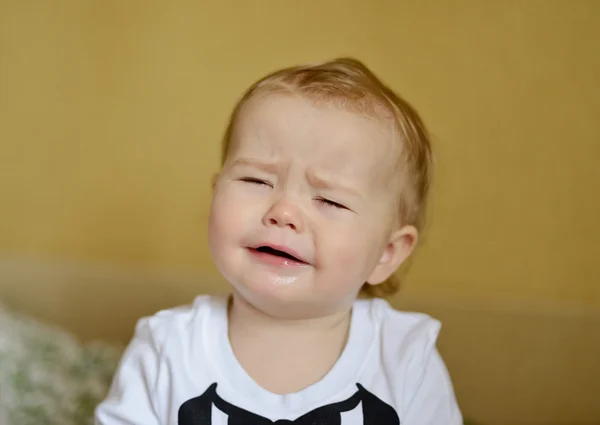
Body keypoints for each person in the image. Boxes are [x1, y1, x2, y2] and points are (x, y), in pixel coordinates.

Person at [95, 57, 463, 425]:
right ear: (215, 193)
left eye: (330, 200)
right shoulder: (169, 347)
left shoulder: (403, 358)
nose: (283, 211)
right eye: (257, 181)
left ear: (387, 253)